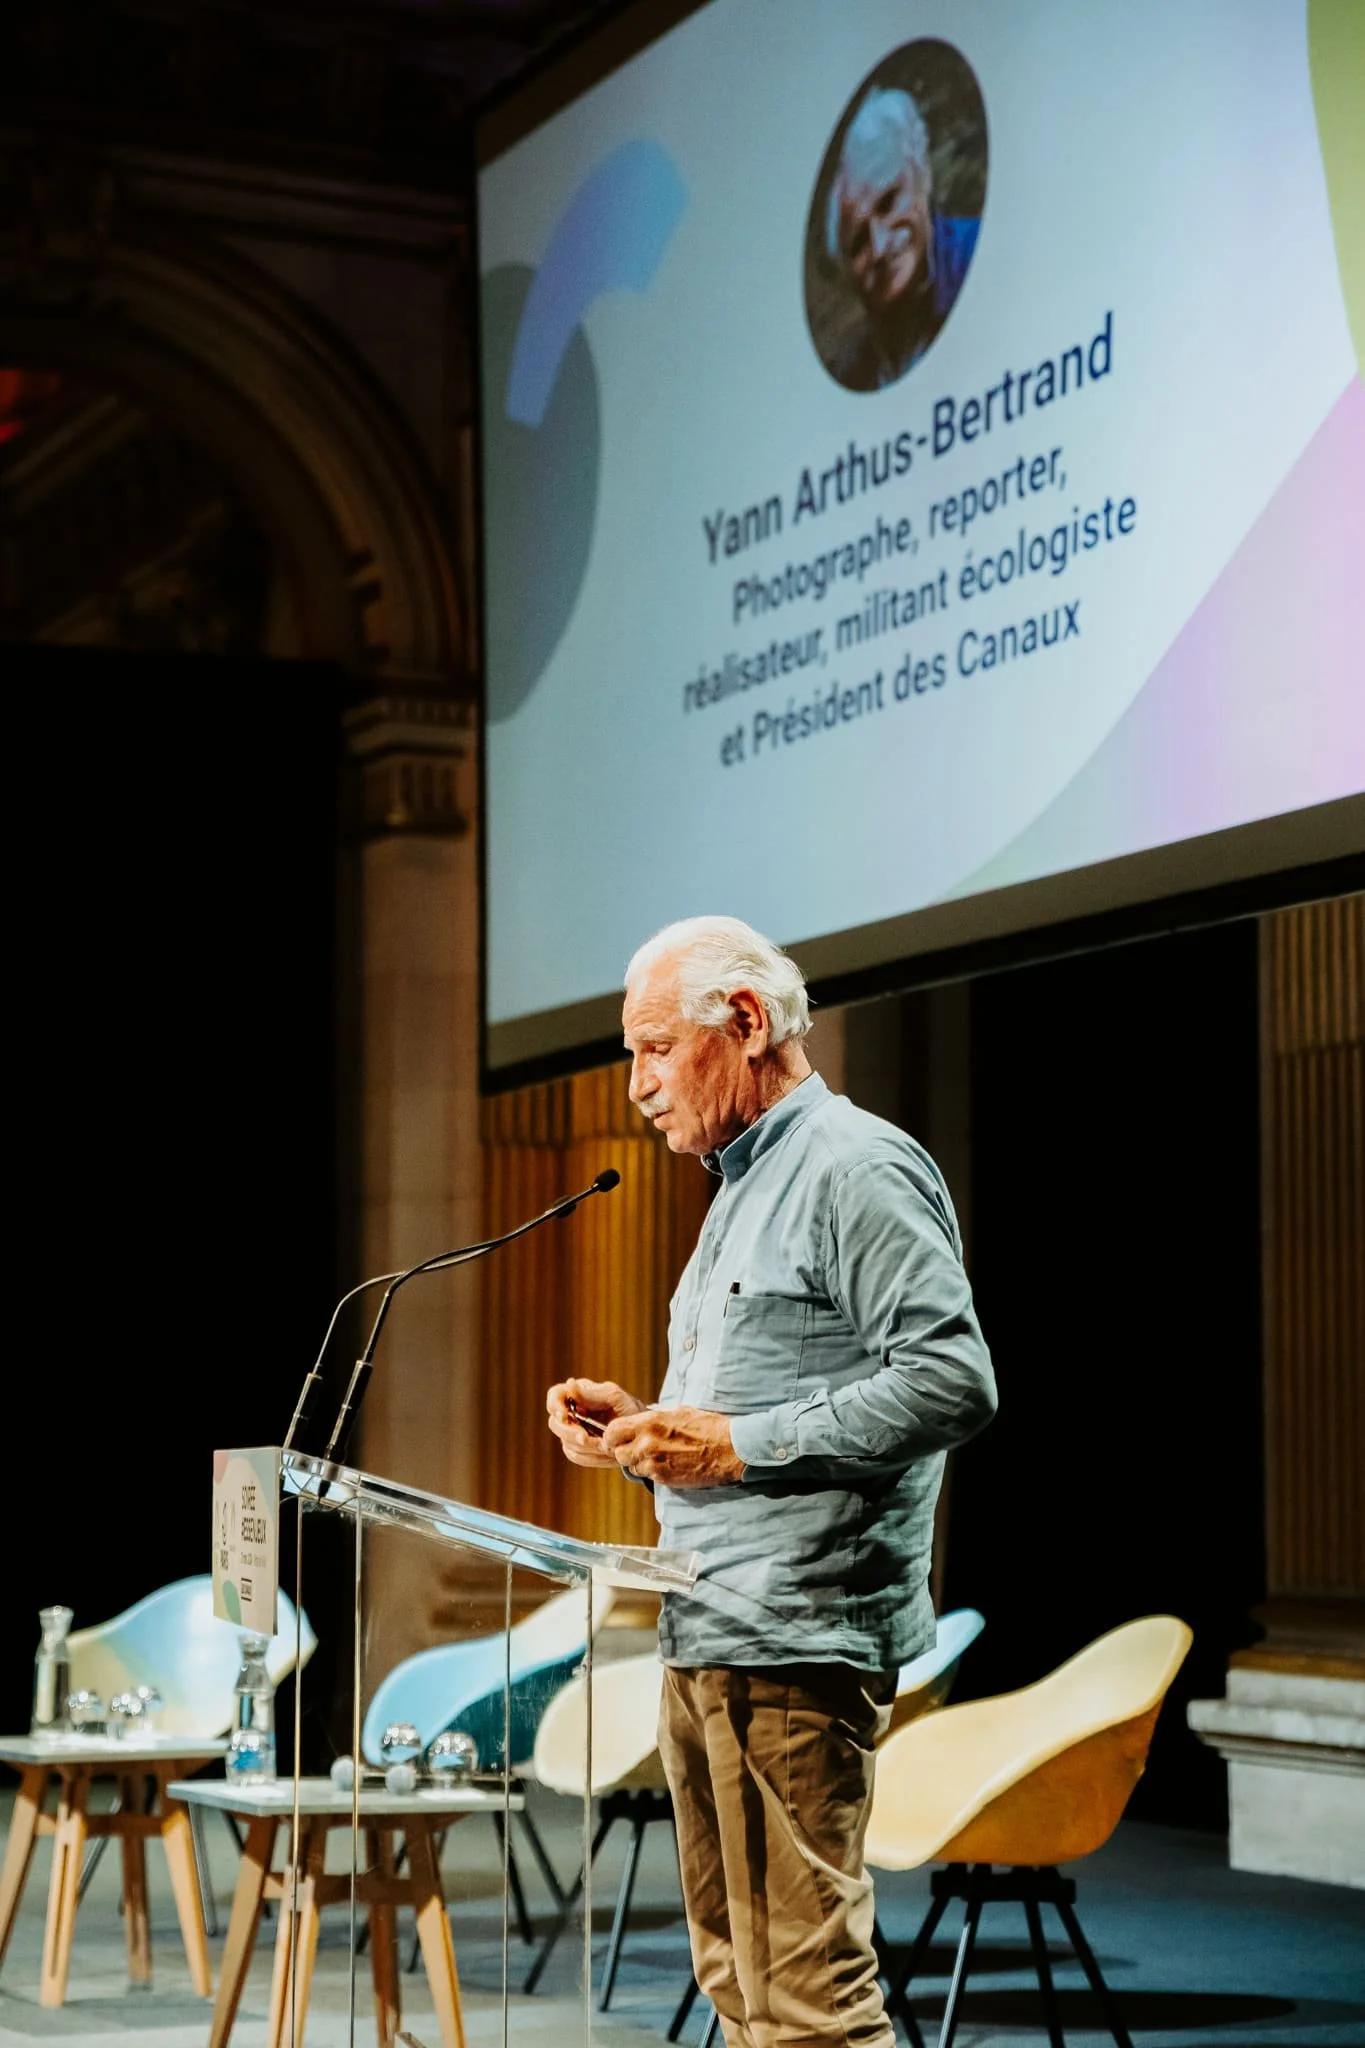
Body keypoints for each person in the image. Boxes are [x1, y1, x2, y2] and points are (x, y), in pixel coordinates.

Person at [546, 915, 996, 2048]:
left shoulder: (855, 1164)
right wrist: (639, 1431)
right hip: (711, 1623)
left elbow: (952, 1380)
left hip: (797, 1637)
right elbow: (757, 1395)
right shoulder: (738, 1183)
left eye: (653, 1046)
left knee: (808, 2002)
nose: (637, 1082)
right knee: (739, 1988)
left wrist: (737, 1442)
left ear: (744, 1022)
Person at [823, 84, 979, 390]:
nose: (879, 247)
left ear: (922, 175)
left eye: (888, 203)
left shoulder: (983, 263)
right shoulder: (853, 367)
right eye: (858, 244)